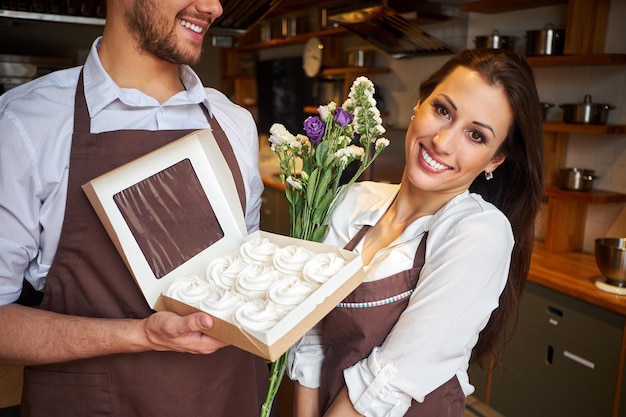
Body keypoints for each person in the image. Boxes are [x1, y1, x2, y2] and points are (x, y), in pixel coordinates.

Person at [0, 0, 268, 416]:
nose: (213, 6)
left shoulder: (234, 123)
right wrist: (142, 334)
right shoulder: (27, 124)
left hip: (227, 397)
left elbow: (243, 277)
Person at [287, 48, 544, 417]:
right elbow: (310, 335)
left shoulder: (478, 232)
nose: (443, 142)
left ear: (495, 160)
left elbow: (390, 376)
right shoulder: (352, 201)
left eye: (475, 135)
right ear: (419, 103)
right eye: (443, 110)